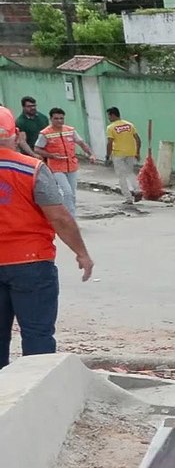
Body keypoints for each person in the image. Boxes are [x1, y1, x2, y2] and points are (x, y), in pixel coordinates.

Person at [0, 105, 94, 370]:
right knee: (37, 336)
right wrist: (82, 253)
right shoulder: (31, 169)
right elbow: (60, 218)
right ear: (16, 134)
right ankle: (37, 398)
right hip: (31, 263)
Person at [34, 107, 96, 217]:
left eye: (61, 118)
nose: (59, 121)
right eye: (56, 118)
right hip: (56, 167)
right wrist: (51, 155)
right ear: (51, 119)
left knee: (71, 194)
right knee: (67, 192)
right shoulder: (45, 133)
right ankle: (70, 219)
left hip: (71, 166)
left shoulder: (70, 130)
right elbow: (37, 149)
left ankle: (67, 214)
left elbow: (81, 143)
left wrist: (91, 154)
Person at [105, 107, 143, 204]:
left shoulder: (111, 127)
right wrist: (137, 152)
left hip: (118, 154)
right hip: (130, 152)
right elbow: (138, 139)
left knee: (121, 176)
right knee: (130, 173)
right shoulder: (129, 125)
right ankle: (137, 190)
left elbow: (109, 143)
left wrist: (107, 156)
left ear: (113, 115)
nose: (108, 118)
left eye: (109, 115)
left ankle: (128, 198)